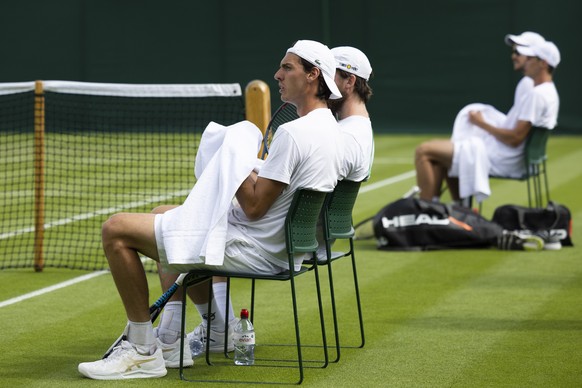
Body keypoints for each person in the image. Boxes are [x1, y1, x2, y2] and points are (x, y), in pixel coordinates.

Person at [77, 39, 344, 380]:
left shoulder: (293, 133)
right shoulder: (332, 132)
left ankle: (143, 350)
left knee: (115, 228)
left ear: (313, 75)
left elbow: (253, 207)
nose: (277, 74)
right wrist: (249, 167)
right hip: (285, 247)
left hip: (256, 247)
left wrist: (230, 158)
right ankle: (179, 338)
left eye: (287, 67)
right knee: (164, 213)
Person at [414, 32, 557, 205]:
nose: (520, 59)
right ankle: (456, 211)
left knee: (424, 151)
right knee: (441, 152)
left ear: (543, 63)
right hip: (510, 156)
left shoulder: (537, 94)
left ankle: (426, 212)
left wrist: (481, 123)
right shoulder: (545, 91)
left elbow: (514, 138)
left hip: (504, 158)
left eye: (527, 56)